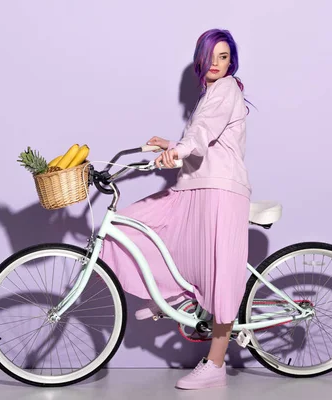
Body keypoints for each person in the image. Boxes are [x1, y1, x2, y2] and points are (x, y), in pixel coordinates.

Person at [100, 28, 251, 390]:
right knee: (141, 224)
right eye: (211, 56)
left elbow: (202, 132)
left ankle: (215, 364)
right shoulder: (211, 93)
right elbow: (207, 135)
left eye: (224, 57)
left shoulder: (228, 88)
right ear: (200, 58)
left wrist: (179, 150)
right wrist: (171, 145)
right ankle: (171, 295)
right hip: (196, 185)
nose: (216, 64)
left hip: (220, 189)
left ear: (232, 62)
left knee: (219, 275)